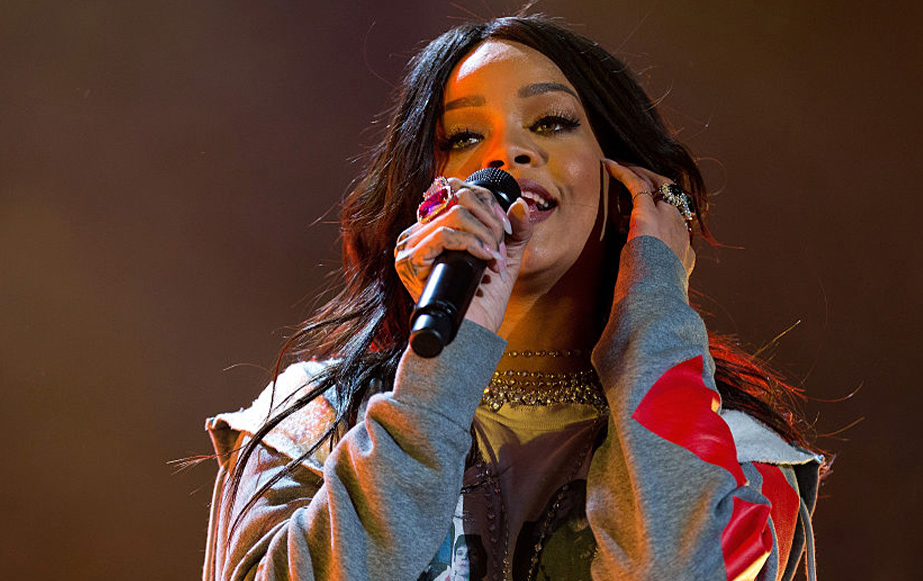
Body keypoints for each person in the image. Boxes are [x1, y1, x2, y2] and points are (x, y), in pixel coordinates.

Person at [202, 14, 823, 581]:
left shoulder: (734, 450)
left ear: (629, 184)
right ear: (425, 194)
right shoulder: (312, 422)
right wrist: (442, 370)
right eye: (465, 137)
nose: (507, 154)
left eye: (551, 122)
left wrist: (655, 304)